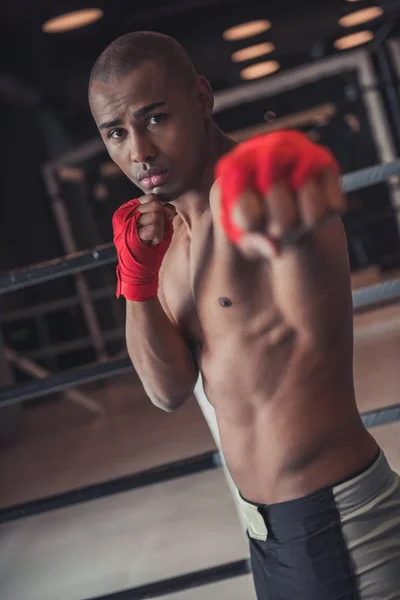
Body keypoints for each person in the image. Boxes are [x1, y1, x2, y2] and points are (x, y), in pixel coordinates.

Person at [89, 31, 400, 599]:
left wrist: (286, 168)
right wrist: (135, 280)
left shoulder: (258, 186)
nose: (139, 151)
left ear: (202, 99)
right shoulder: (166, 241)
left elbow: (291, 203)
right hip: (269, 536)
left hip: (335, 523)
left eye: (155, 118)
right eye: (116, 133)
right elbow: (166, 390)